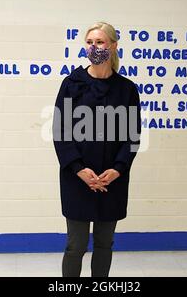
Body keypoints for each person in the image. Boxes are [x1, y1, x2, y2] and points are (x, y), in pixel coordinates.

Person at [53, 22, 141, 277]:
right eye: (90, 42)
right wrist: (79, 170)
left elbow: (132, 136)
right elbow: (61, 133)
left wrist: (118, 169)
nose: (94, 47)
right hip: (77, 178)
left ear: (113, 46)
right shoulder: (71, 84)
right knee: (75, 245)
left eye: (100, 42)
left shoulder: (126, 89)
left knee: (105, 244)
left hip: (112, 179)